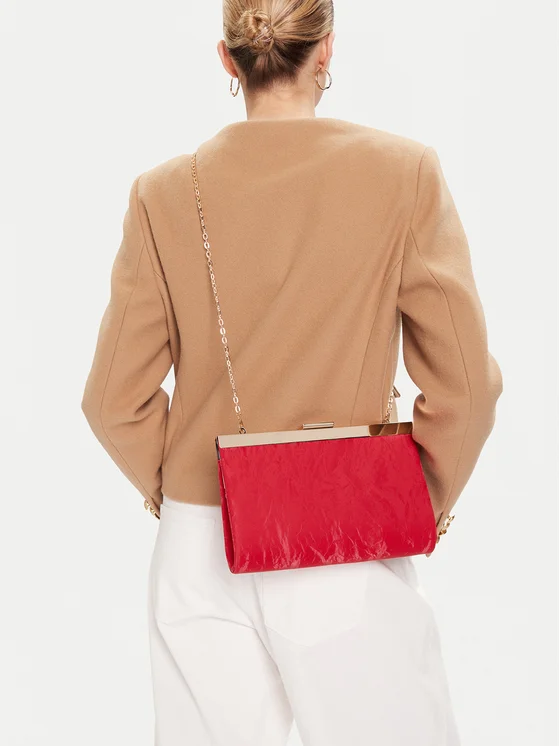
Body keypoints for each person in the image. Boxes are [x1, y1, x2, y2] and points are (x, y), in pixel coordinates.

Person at [81, 1, 503, 744]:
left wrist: (192, 496)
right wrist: (416, 499)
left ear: (228, 58)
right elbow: (466, 387)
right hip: (343, 526)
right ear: (326, 49)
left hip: (199, 552)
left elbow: (113, 400)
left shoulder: (161, 194)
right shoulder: (402, 174)